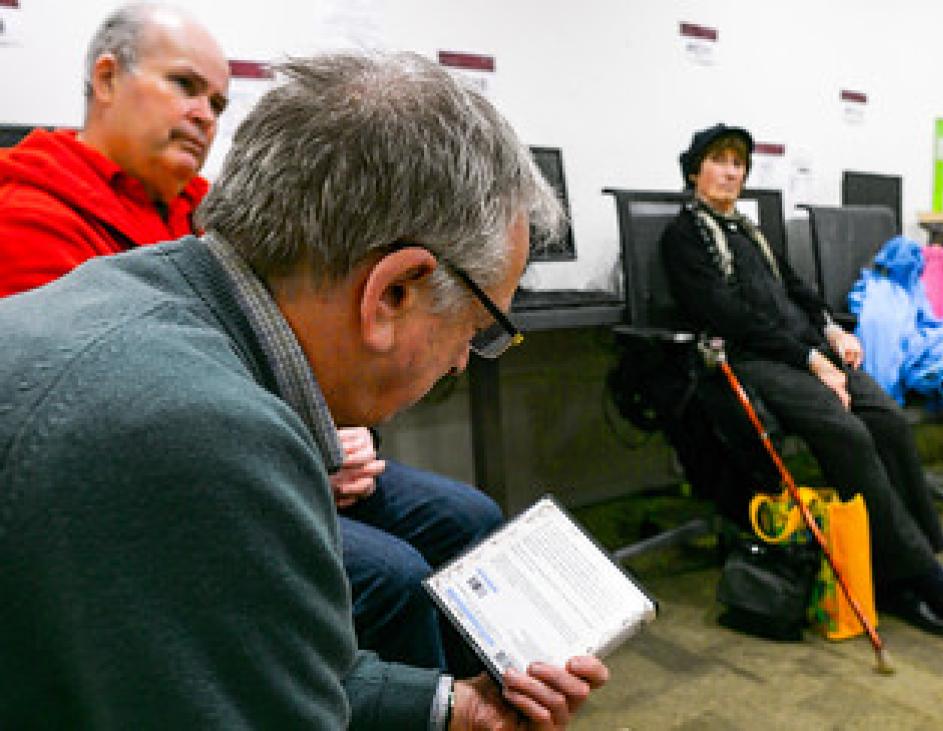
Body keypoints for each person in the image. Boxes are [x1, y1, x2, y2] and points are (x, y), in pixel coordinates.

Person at [0, 50, 608, 728]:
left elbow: (265, 661)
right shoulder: (212, 436)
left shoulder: (143, 287)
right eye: (476, 324)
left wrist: (458, 706)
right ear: (392, 292)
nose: (465, 360)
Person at [660, 122, 943, 637]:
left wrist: (830, 331)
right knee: (848, 435)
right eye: (719, 161)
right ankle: (927, 581)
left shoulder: (751, 230)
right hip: (754, 362)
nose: (731, 172)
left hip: (809, 351)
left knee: (888, 420)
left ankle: (904, 573)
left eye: (738, 164)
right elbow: (731, 318)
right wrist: (811, 360)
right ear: (694, 170)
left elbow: (796, 289)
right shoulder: (684, 237)